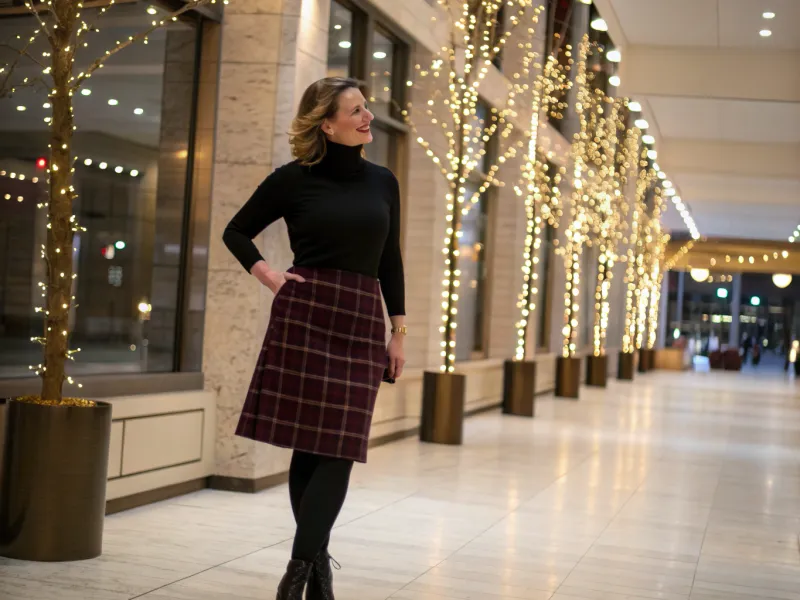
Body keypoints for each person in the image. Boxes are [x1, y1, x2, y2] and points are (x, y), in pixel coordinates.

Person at [222, 77, 407, 600]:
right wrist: (269, 275)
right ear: (327, 124)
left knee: (340, 445)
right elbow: (236, 231)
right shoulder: (293, 179)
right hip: (306, 315)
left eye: (366, 107)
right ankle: (314, 573)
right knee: (311, 444)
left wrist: (399, 331)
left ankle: (300, 569)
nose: (368, 116)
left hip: (359, 317)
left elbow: (389, 261)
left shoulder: (383, 181)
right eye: (356, 110)